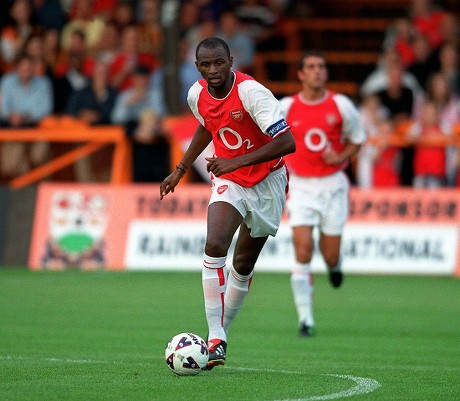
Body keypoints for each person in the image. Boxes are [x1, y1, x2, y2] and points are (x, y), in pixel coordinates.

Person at [159, 37, 295, 368]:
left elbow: (287, 142)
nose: (213, 70)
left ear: (231, 60)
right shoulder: (196, 95)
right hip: (229, 180)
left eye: (219, 63)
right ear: (197, 67)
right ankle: (216, 337)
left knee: (244, 264)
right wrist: (180, 169)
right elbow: (208, 126)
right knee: (215, 243)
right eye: (206, 65)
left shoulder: (252, 93)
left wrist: (236, 161)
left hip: (268, 182)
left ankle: (222, 335)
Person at [279, 51, 366, 337]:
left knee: (329, 255)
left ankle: (335, 266)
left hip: (332, 185)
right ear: (301, 74)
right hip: (302, 186)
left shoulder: (340, 105)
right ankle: (306, 320)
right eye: (311, 67)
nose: (317, 71)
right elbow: (269, 138)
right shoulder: (287, 107)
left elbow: (358, 139)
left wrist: (339, 155)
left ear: (326, 73)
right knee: (302, 250)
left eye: (321, 67)